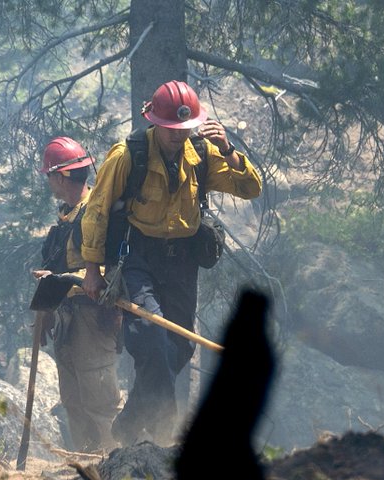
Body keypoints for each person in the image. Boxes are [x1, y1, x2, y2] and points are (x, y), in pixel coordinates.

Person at [79, 80, 262, 446]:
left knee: (178, 347)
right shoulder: (127, 156)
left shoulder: (203, 154)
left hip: (182, 264)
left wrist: (228, 150)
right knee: (150, 338)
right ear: (155, 121)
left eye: (185, 127)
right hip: (138, 259)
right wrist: (93, 269)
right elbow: (96, 211)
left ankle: (129, 424)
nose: (178, 135)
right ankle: (166, 435)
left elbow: (250, 188)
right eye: (171, 128)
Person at [31, 136, 122, 452]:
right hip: (66, 320)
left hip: (93, 319)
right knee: (73, 399)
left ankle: (115, 460)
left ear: (59, 177)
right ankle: (86, 462)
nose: (49, 182)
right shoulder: (65, 219)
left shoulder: (96, 215)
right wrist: (45, 314)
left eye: (49, 176)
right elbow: (55, 268)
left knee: (100, 399)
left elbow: (110, 272)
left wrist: (61, 280)